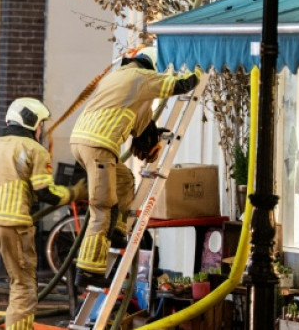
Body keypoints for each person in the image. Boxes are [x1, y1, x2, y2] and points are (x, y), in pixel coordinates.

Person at [70, 45, 201, 288]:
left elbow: (140, 123)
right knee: (102, 209)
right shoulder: (142, 77)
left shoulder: (120, 78)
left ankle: (119, 231)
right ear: (151, 67)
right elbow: (180, 85)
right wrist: (200, 68)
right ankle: (88, 269)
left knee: (124, 179)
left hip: (82, 141)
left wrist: (153, 134)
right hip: (99, 145)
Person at [0, 98, 86, 330]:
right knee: (22, 285)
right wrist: (75, 192)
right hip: (12, 224)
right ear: (32, 122)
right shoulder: (35, 149)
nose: (41, 129)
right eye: (40, 124)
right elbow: (46, 193)